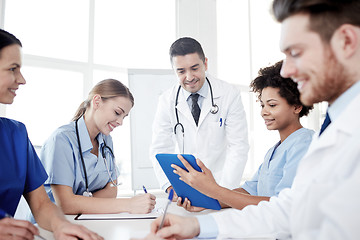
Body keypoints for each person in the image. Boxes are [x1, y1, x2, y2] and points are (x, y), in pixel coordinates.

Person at [144, 0, 360, 239]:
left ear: (347, 42)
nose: (286, 71)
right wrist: (198, 225)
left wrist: (215, 191)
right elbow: (291, 207)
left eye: (296, 53)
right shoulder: (334, 128)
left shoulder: (326, 134)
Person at [0, 29, 102, 240]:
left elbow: (41, 204)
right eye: (12, 69)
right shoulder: (61, 138)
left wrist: (60, 225)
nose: (22, 79)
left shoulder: (16, 135)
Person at [174, 60, 314, 212]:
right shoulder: (274, 151)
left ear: (297, 106)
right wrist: (206, 200)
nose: (263, 112)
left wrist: (213, 190)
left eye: (272, 105)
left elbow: (282, 204)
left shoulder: (304, 144)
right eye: (262, 105)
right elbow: (249, 191)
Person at [39, 79, 156, 215]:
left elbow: (112, 190)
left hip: (85, 221)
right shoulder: (62, 140)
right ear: (97, 102)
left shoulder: (106, 141)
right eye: (118, 113)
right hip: (51, 226)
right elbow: (65, 204)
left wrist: (79, 203)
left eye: (124, 116)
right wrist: (129, 204)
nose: (120, 122)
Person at [150, 37, 249, 197]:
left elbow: (238, 146)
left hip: (222, 184)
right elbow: (160, 148)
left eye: (194, 68)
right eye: (181, 71)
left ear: (206, 64)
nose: (189, 77)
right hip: (185, 189)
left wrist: (222, 193)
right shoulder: (167, 100)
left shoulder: (229, 94)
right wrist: (170, 186)